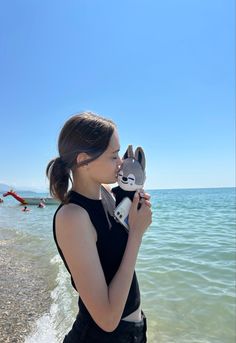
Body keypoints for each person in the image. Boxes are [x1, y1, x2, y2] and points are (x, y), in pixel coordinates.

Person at [46, 112, 152, 343]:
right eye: (114, 156)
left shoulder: (107, 195)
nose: (121, 162)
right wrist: (136, 234)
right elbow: (107, 319)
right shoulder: (72, 216)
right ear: (84, 160)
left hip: (134, 330)